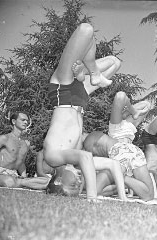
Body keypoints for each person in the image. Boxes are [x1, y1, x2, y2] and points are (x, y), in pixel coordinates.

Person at [43, 23, 126, 201]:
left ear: (57, 181)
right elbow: (113, 164)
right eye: (77, 186)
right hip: (81, 97)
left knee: (86, 30)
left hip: (62, 91)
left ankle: (90, 71)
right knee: (115, 62)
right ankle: (88, 70)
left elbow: (86, 156)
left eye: (72, 184)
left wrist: (91, 197)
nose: (78, 181)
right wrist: (123, 199)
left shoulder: (53, 158)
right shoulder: (74, 163)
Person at [83, 131, 154, 201]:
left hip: (117, 154)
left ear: (96, 146)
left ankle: (120, 177)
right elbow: (149, 196)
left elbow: (94, 190)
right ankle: (123, 179)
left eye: (92, 152)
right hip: (132, 150)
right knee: (148, 195)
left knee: (93, 190)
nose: (95, 155)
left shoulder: (114, 154)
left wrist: (117, 174)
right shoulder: (132, 148)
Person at [0, 112, 30, 178]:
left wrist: (24, 176)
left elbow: (21, 163)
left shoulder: (26, 144)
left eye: (27, 120)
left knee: (43, 181)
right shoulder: (4, 138)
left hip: (14, 174)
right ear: (14, 121)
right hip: (0, 173)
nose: (26, 122)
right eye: (23, 120)